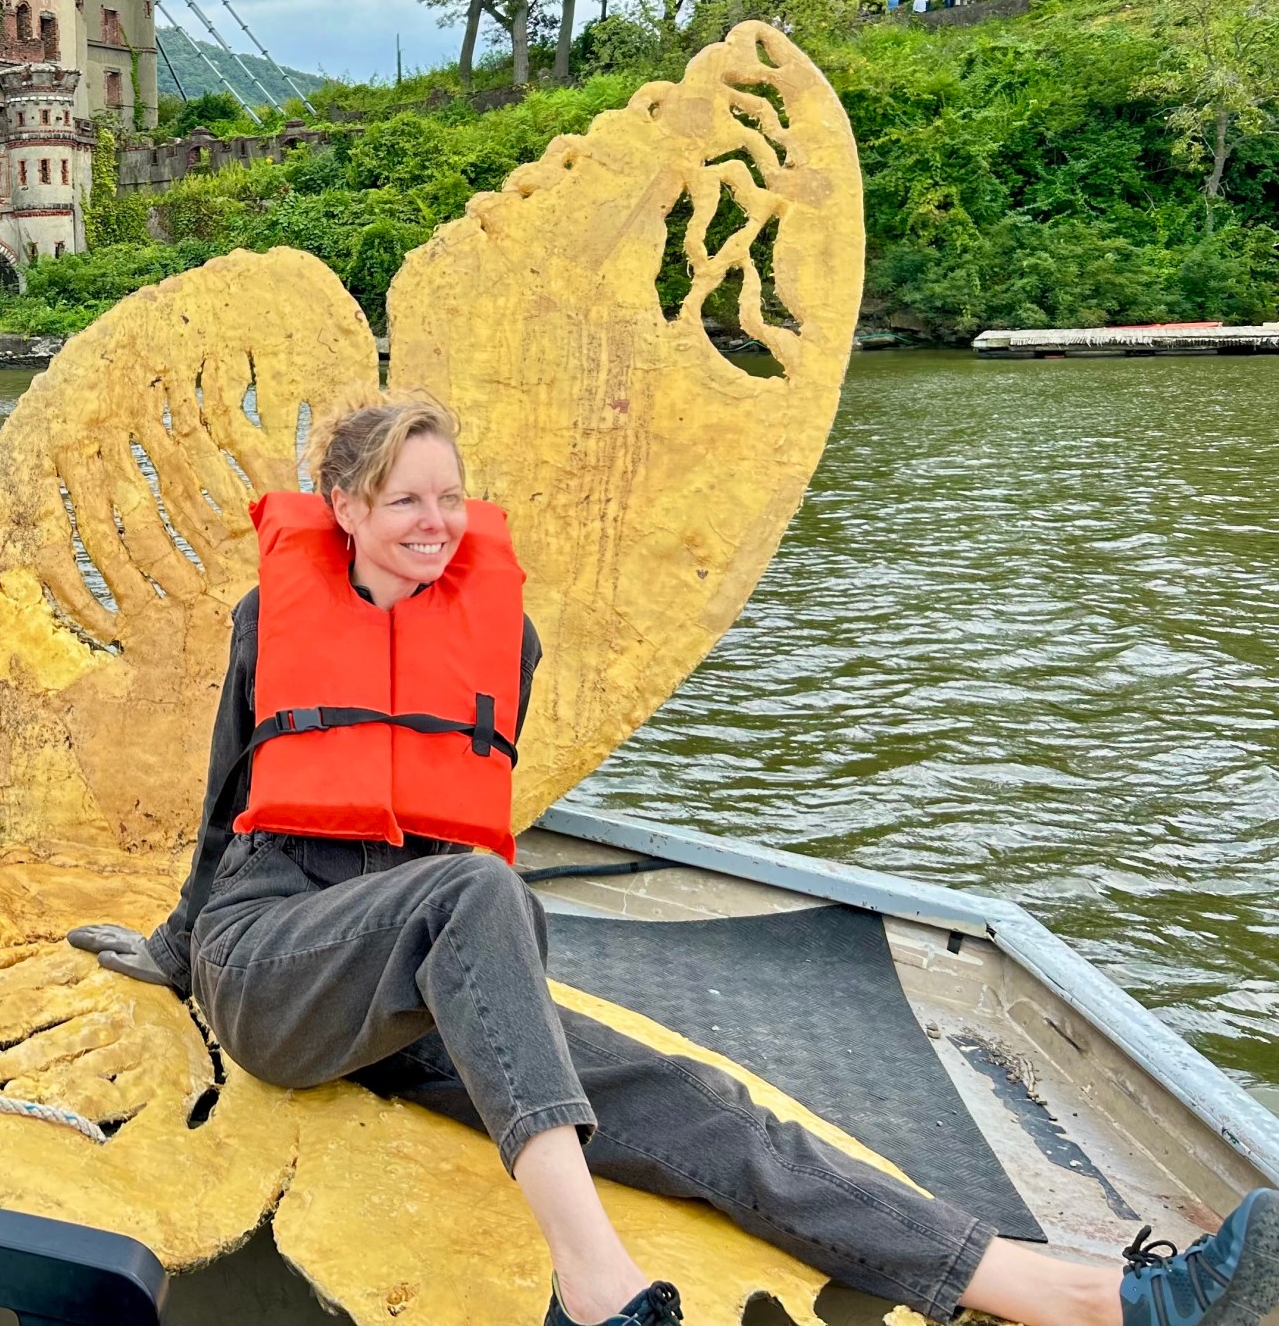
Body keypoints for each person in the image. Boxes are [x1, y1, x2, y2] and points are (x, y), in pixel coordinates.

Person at [71, 393, 1279, 1326]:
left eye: (450, 499)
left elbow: (460, 822)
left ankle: (1096, 1298)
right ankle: (593, 1282)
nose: (436, 525)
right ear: (341, 507)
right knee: (476, 891)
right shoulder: (267, 621)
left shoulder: (506, 641)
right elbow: (227, 797)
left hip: (415, 980)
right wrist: (177, 953)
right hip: (275, 957)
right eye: (405, 502)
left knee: (708, 1111)